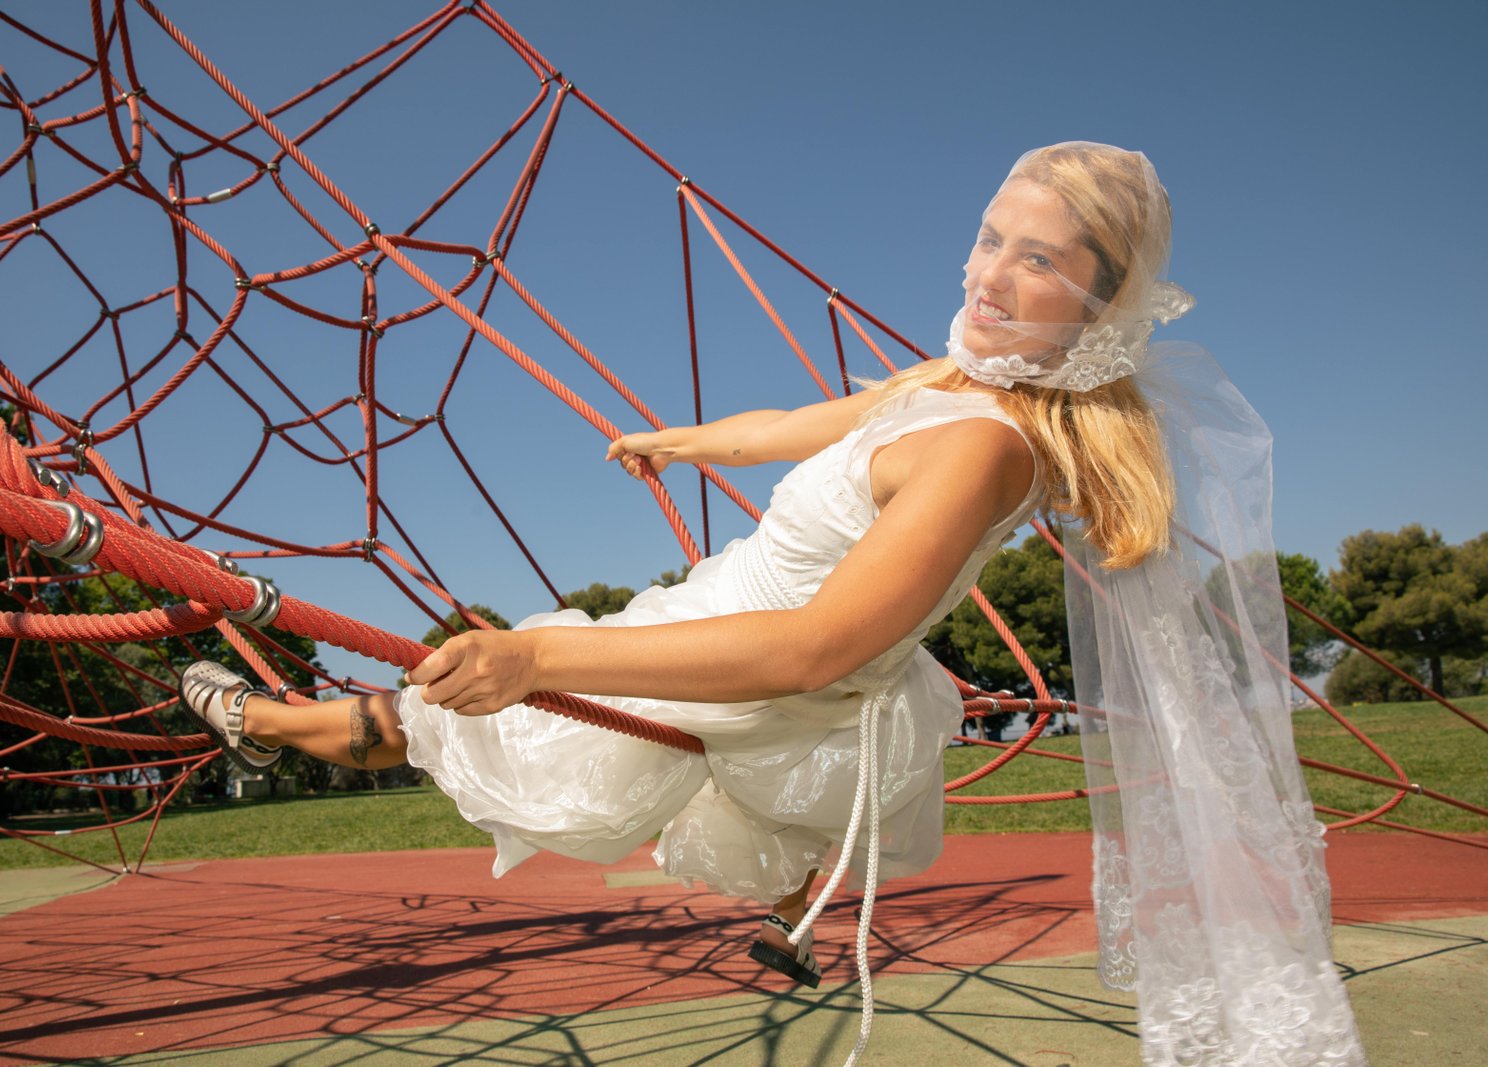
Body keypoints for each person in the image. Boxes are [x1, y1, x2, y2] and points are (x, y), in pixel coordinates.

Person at [181, 143, 1366, 1065]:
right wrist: (683, 441)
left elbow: (813, 644)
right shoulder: (948, 385)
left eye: (1040, 260)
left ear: (1101, 306)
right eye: (990, 235)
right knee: (719, 799)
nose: (989, 274)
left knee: (455, 706)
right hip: (751, 639)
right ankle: (797, 899)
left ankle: (262, 720)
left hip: (757, 662)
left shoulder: (982, 446)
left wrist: (542, 656)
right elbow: (796, 427)